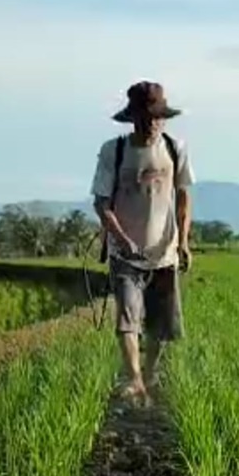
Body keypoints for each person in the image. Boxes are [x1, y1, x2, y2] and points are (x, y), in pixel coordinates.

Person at [90, 80, 195, 406]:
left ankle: (149, 375)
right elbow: (101, 203)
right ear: (132, 118)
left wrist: (184, 241)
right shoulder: (114, 151)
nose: (151, 124)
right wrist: (121, 238)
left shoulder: (175, 149)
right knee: (128, 318)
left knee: (161, 324)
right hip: (126, 254)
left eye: (156, 118)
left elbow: (183, 196)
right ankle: (134, 379)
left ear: (163, 118)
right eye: (144, 118)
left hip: (164, 252)